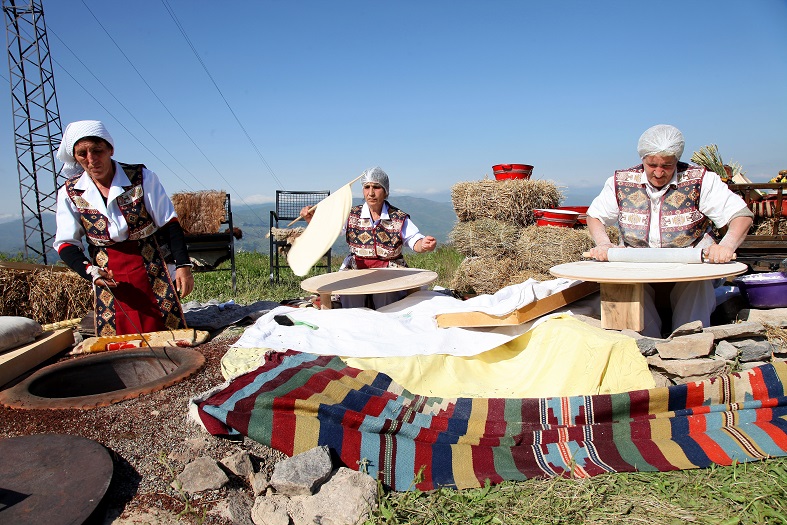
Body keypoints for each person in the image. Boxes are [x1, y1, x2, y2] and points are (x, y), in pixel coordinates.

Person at [586, 124, 753, 338]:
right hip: (638, 264)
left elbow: (741, 215)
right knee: (627, 288)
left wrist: (726, 246)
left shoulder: (699, 179)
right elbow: (595, 216)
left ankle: (689, 343)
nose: (658, 172)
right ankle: (646, 347)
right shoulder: (621, 182)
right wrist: (603, 243)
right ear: (643, 159)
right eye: (652, 164)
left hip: (689, 265)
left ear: (677, 160)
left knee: (696, 285)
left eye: (667, 165)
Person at [53, 120, 194, 337]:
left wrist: (183, 265)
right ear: (75, 158)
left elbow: (169, 223)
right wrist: (90, 272)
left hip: (151, 264)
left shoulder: (141, 178)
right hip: (108, 272)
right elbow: (65, 243)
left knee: (166, 333)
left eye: (97, 151)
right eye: (82, 154)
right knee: (119, 337)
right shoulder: (70, 193)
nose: (91, 160)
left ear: (110, 149)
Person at [301, 166, 437, 309]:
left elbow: (414, 239)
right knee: (351, 295)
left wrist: (424, 244)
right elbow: (330, 230)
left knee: (386, 297)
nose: (371, 193)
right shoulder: (351, 214)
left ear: (385, 192)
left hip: (390, 271)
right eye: (367, 187)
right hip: (356, 269)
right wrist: (313, 220)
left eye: (376, 187)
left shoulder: (398, 217)